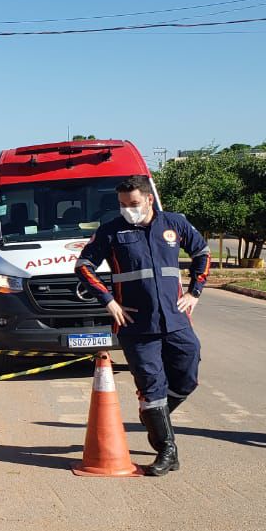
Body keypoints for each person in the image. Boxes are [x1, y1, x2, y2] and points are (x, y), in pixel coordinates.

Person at [74, 174, 211, 477]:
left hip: (176, 320)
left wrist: (194, 292)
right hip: (136, 325)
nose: (127, 209)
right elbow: (83, 266)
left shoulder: (174, 224)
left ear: (149, 199)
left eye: (133, 203)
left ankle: (152, 415)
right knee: (151, 386)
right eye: (122, 204)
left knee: (187, 376)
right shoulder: (111, 230)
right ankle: (166, 448)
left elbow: (202, 253)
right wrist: (108, 301)